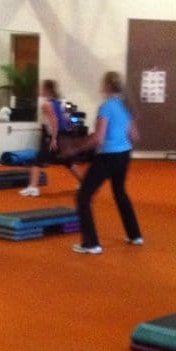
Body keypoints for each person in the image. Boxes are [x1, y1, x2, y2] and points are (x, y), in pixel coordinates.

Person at [73, 71, 143, 254]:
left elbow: (99, 139)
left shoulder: (105, 107)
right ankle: (135, 235)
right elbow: (135, 135)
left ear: (106, 86)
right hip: (124, 155)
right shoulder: (125, 106)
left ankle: (91, 243)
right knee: (120, 192)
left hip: (107, 157)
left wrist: (77, 148)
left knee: (83, 197)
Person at [20, 79, 85, 196]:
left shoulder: (47, 105)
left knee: (37, 160)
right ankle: (85, 183)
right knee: (69, 161)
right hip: (64, 135)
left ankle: (33, 187)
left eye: (43, 88)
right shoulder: (61, 103)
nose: (41, 90)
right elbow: (68, 120)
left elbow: (55, 121)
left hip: (55, 135)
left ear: (47, 90)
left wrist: (54, 139)